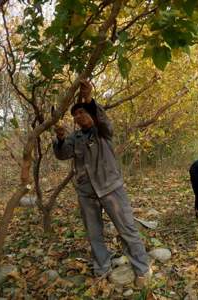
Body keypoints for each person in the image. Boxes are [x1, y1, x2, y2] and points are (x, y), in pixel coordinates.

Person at [53, 80, 150, 287]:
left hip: (111, 189)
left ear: (91, 113)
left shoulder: (102, 131)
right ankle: (102, 268)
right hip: (86, 192)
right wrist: (60, 138)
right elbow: (63, 154)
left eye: (83, 112)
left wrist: (88, 99)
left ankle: (141, 269)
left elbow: (104, 121)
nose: (80, 116)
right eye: (76, 114)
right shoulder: (75, 137)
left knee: (127, 229)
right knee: (94, 233)